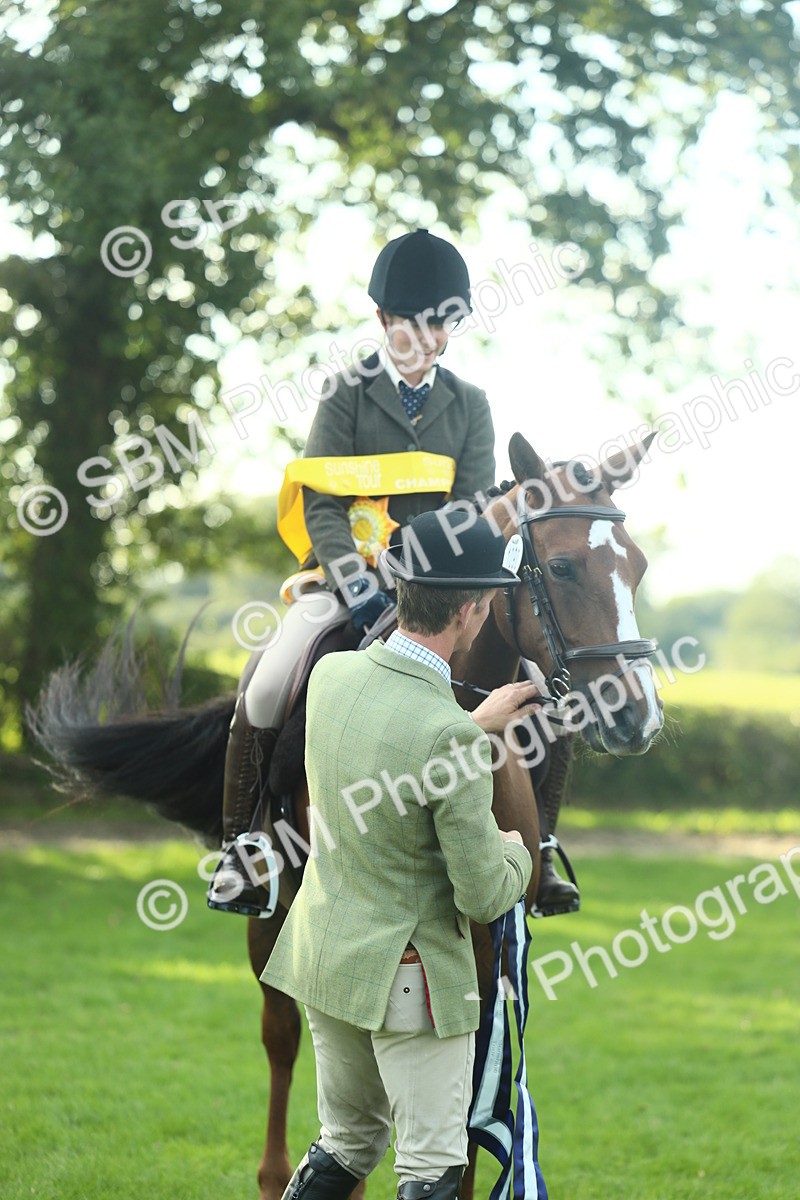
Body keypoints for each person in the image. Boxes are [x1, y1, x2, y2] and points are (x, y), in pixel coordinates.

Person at [207, 228, 578, 917]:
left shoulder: (469, 403)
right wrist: (353, 576)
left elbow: (469, 505)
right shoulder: (346, 393)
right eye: (421, 324)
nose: (435, 339)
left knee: (539, 684)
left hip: (441, 586)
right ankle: (244, 849)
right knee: (266, 681)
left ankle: (545, 844)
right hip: (345, 580)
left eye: (447, 324)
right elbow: (320, 499)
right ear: (383, 320)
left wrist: (421, 576)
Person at [261, 509, 537, 1200]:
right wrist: (520, 856)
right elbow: (482, 895)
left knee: (346, 1144)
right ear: (472, 609)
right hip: (408, 983)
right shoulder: (448, 737)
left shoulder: (332, 678)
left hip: (327, 962)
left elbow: (397, 757)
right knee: (433, 1168)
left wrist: (470, 729)